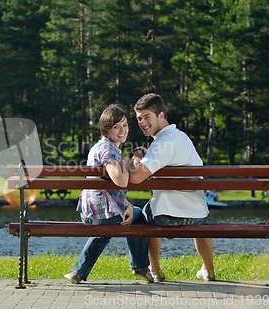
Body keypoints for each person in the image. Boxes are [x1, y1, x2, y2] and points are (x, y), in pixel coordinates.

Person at [128, 93, 215, 282]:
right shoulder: (181, 137)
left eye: (147, 117)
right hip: (197, 216)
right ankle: (208, 269)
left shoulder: (162, 144)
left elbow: (135, 177)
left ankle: (155, 270)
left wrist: (137, 156)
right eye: (139, 118)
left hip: (165, 218)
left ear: (161, 115)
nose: (142, 122)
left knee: (143, 214)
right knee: (201, 217)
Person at [64, 104, 153, 284]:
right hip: (103, 214)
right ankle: (141, 268)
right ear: (106, 129)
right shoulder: (109, 150)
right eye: (116, 127)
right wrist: (133, 159)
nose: (122, 130)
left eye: (125, 125)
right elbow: (120, 180)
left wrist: (126, 204)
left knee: (110, 228)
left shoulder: (98, 147)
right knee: (140, 217)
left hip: (89, 212)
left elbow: (108, 188)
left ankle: (78, 272)